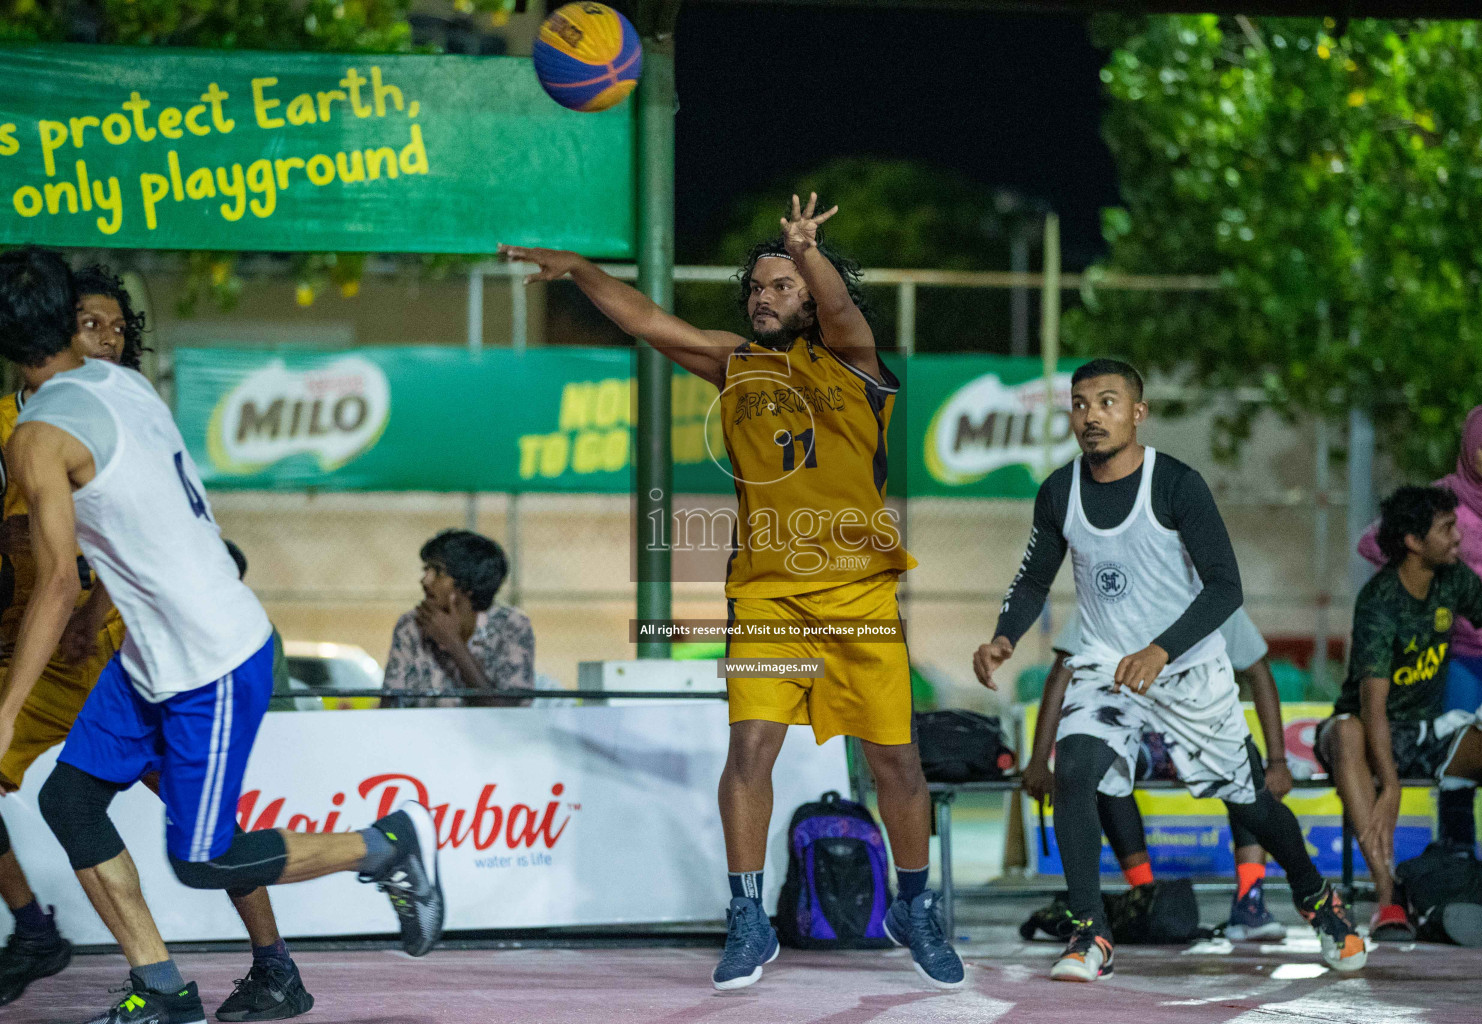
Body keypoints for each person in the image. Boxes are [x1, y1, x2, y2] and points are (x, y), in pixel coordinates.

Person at [502, 194, 965, 991]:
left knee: (895, 761)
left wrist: (806, 251)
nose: (764, 297)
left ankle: (916, 905)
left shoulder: (856, 363)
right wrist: (580, 270)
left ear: (810, 297)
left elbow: (844, 307)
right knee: (750, 751)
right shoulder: (735, 362)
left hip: (859, 600)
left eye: (781, 286)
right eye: (757, 287)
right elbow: (650, 323)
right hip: (766, 602)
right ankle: (748, 916)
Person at [0, 248, 445, 1024]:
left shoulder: (37, 435)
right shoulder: (122, 383)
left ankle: (387, 843)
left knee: (203, 858)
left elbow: (60, 584)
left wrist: (5, 710)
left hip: (209, 658)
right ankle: (164, 991)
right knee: (70, 800)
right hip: (155, 648)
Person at [973, 357, 1364, 982]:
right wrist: (1003, 636)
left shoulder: (1177, 485)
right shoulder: (1059, 492)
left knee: (1251, 802)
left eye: (1106, 402)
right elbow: (1032, 579)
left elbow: (1225, 589)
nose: (1091, 416)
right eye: (1080, 404)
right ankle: (1089, 932)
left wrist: (1161, 650)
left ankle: (1318, 898)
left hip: (1186, 668)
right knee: (1075, 766)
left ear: (1137, 412)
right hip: (1106, 662)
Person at [0, 269, 311, 1019]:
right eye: (91, 324)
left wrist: (82, 596)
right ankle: (42, 930)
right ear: (56, 329)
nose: (107, 338)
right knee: (71, 803)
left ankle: (274, 960)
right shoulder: (24, 423)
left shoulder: (103, 405)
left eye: (116, 327)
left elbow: (125, 543)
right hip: (38, 652)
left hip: (116, 640)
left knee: (203, 838)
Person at [1319, 484, 1482, 941]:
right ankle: (1388, 897)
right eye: (1447, 528)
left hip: (1424, 731)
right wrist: (1390, 784)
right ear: (1414, 542)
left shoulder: (1454, 579)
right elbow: (1373, 708)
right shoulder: (1378, 602)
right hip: (1365, 727)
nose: (1459, 538)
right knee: (1347, 732)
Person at [1030, 607, 1291, 941]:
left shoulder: (1213, 596)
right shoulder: (1104, 590)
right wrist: (1038, 761)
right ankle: (1146, 896)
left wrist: (1279, 762)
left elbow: (1259, 673)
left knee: (1243, 762)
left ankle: (1250, 903)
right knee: (1103, 763)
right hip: (1133, 731)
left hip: (1193, 730)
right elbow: (1060, 674)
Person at [1357, 405, 1482, 847]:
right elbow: (1373, 541)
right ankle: (1458, 872)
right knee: (1457, 773)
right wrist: (1424, 581)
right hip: (1465, 656)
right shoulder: (1444, 500)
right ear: (1468, 449)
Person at [382, 529, 535, 708]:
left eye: (438, 572)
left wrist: (454, 644)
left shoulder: (512, 626)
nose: (425, 580)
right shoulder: (410, 625)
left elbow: (508, 715)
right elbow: (389, 708)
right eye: (426, 569)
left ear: (469, 583)